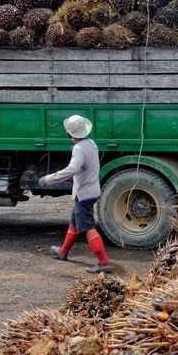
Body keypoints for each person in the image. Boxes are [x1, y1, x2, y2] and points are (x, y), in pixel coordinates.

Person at [39, 115, 113, 274]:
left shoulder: (79, 148)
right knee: (74, 222)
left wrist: (49, 179)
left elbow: (72, 169)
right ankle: (63, 252)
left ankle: (103, 262)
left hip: (85, 193)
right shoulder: (91, 144)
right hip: (90, 190)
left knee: (88, 228)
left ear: (70, 134)